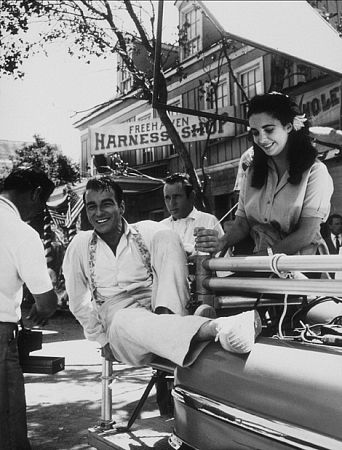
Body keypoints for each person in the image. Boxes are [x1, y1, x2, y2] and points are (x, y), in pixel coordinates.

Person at [62, 176, 261, 369]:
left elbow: (183, 250)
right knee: (124, 319)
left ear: (121, 207)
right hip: (120, 327)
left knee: (167, 237)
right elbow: (78, 302)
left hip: (159, 308)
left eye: (106, 204)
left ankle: (174, 324)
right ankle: (213, 328)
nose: (98, 212)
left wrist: (208, 245)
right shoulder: (80, 244)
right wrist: (102, 340)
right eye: (92, 206)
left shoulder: (144, 231)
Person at [195, 92, 334, 258]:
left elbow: (307, 233)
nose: (261, 139)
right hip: (259, 263)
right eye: (255, 132)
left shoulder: (316, 172)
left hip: (301, 267)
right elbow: (241, 224)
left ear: (289, 127)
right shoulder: (251, 171)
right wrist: (220, 242)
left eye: (269, 130)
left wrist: (261, 259)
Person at [0, 167, 58, 449]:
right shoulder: (21, 232)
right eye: (41, 205)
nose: (38, 213)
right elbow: (46, 302)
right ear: (36, 194)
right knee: (8, 425)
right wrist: (39, 311)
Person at [161, 173, 224, 255]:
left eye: (176, 197)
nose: (172, 203)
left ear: (191, 196)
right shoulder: (161, 227)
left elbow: (223, 257)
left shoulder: (209, 221)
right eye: (167, 198)